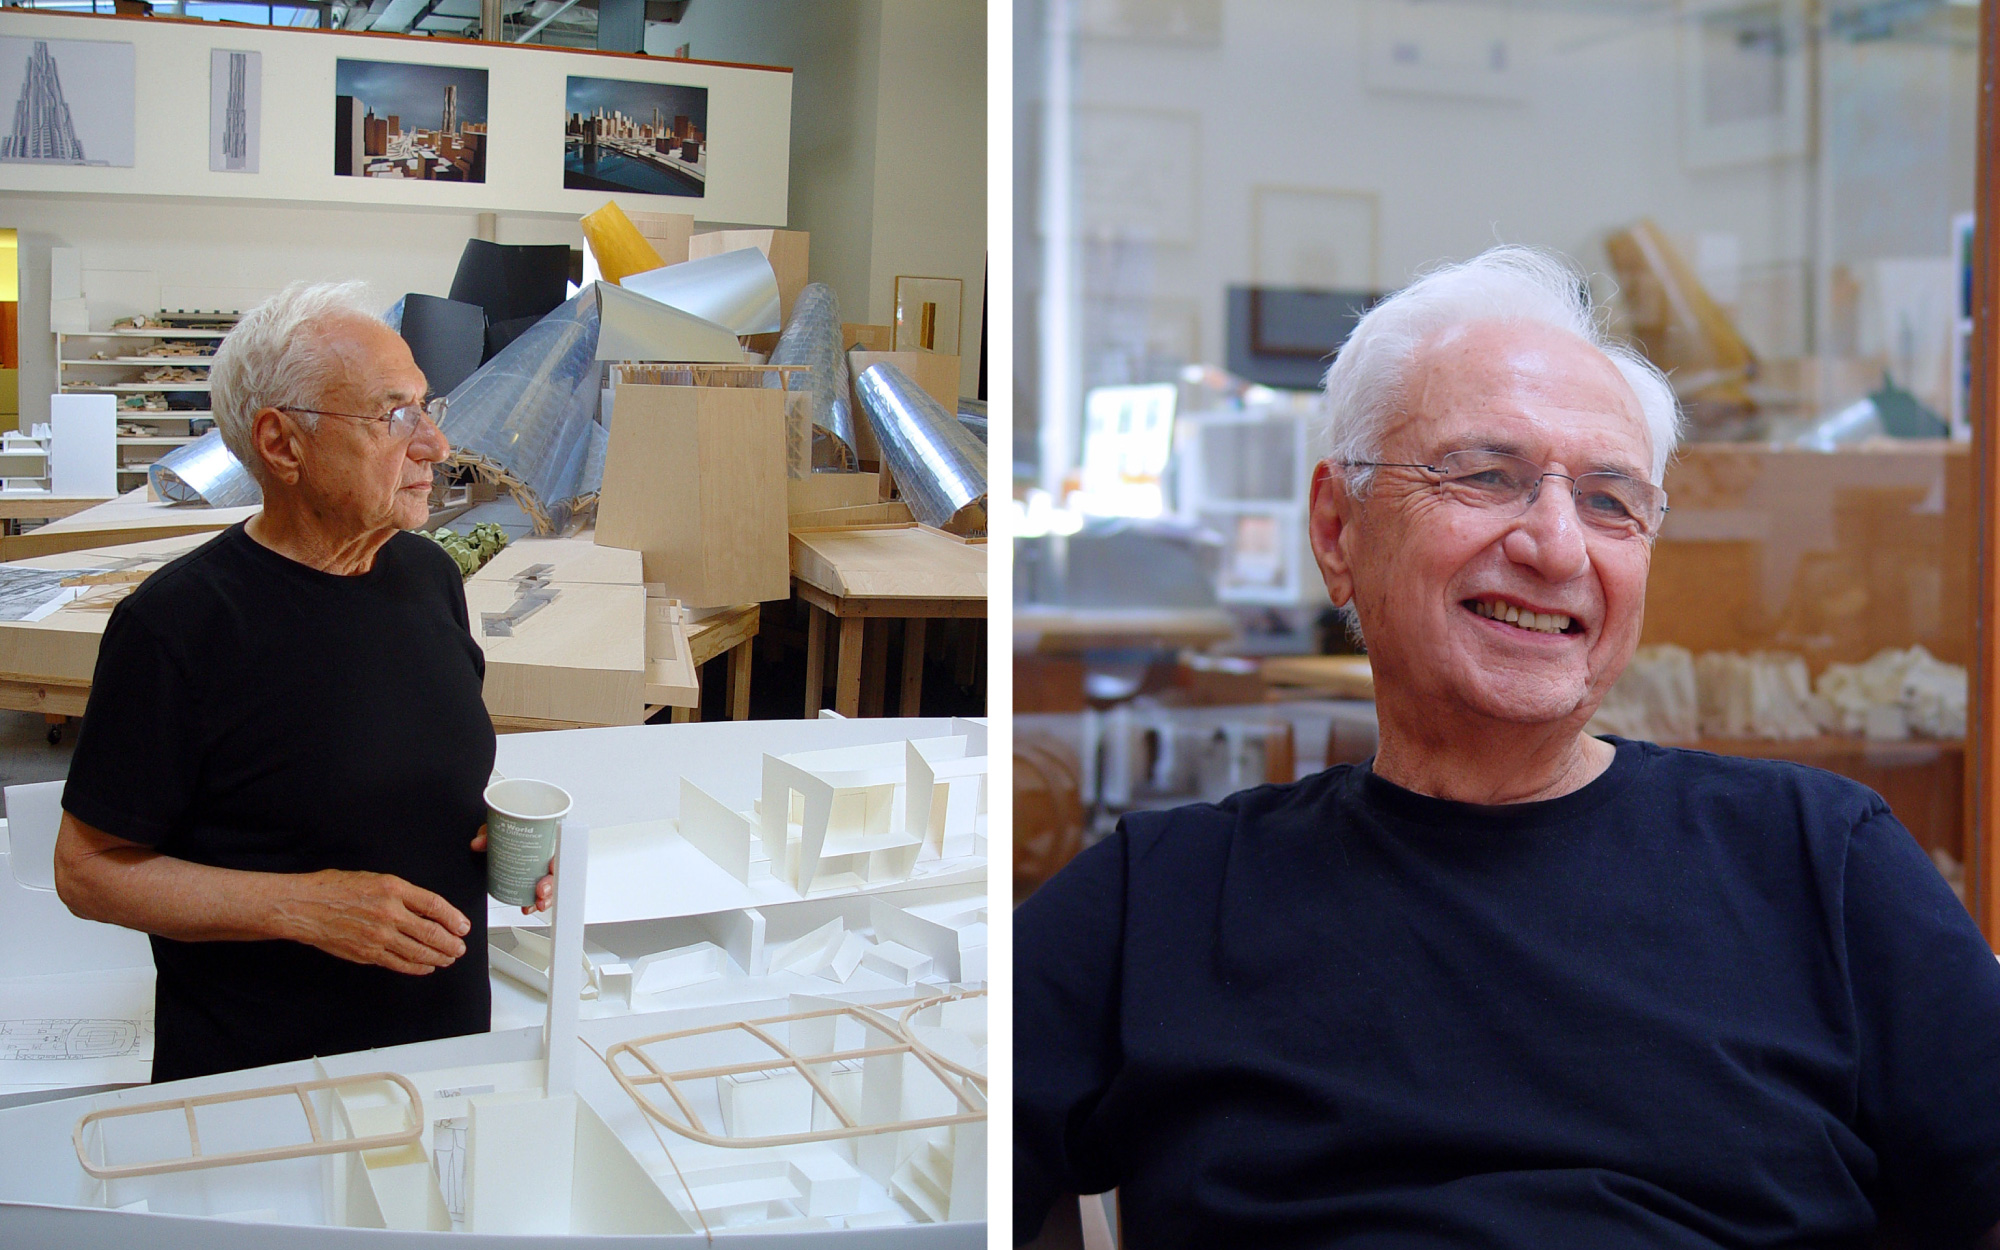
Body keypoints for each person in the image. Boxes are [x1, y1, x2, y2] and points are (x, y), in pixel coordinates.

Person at [1014, 247, 2000, 1249]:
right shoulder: (1163, 899)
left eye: (1610, 501)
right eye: (1487, 476)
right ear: (1337, 529)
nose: (1557, 546)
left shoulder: (1817, 863)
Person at [51, 281, 551, 1083]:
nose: (435, 444)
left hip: (443, 1056)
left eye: (428, 407)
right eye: (394, 416)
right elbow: (86, 871)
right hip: (266, 1085)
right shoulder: (178, 626)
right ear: (282, 445)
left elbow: (390, 768)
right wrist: (306, 906)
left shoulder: (427, 576)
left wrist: (495, 839)